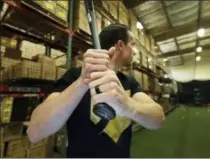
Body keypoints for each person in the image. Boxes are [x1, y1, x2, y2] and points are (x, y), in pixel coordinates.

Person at [27, 24, 165, 158]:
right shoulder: (75, 77)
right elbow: (34, 132)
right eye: (132, 44)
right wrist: (82, 83)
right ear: (121, 45)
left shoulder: (129, 83)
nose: (135, 51)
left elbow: (158, 119)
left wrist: (128, 106)